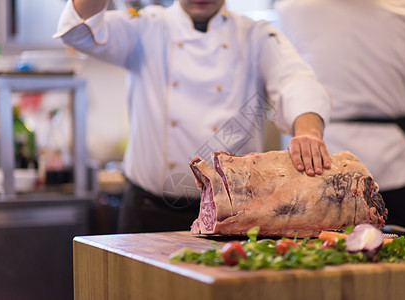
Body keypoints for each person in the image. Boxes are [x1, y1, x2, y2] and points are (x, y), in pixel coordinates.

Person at [54, 0, 332, 233]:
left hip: (235, 215)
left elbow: (296, 81)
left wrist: (308, 131)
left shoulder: (255, 34)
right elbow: (78, 31)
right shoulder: (146, 26)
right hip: (149, 214)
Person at [276, 0, 405, 228]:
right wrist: (402, 122)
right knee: (401, 254)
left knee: (319, 254)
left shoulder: (289, 9)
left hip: (320, 159)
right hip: (390, 156)